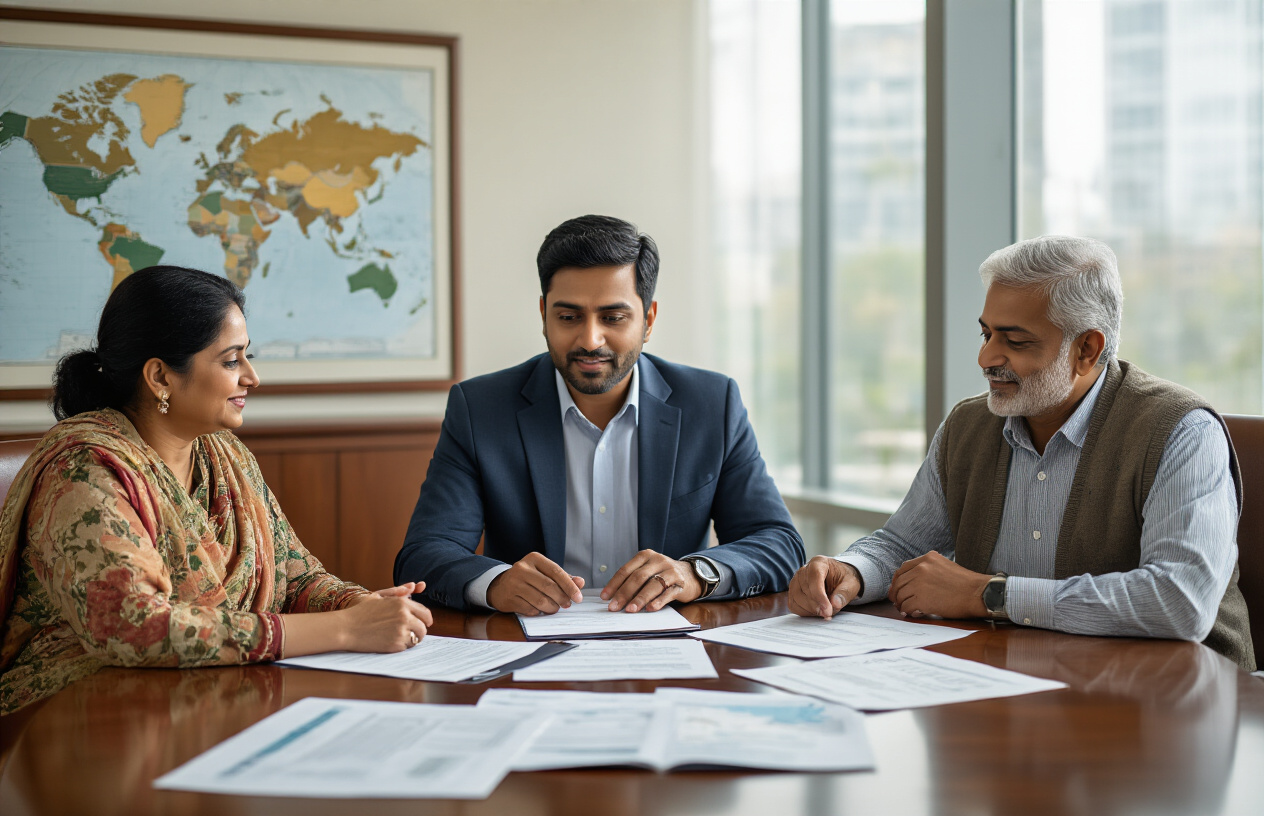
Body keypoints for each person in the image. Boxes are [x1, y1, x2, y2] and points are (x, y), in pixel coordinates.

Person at [788, 236, 1254, 670]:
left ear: (1087, 350)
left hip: (1169, 701)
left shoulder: (1180, 431)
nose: (986, 358)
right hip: (1021, 681)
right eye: (985, 334)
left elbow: (1180, 601)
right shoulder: (968, 425)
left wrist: (989, 595)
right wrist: (850, 569)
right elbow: (906, 543)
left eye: (1015, 341)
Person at [0, 266, 433, 715]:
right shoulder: (87, 468)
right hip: (81, 718)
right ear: (160, 377)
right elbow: (135, 629)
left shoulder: (224, 456)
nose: (253, 377)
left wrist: (362, 605)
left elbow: (295, 576)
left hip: (216, 694)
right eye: (231, 360)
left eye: (247, 356)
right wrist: (345, 629)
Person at [395, 215, 804, 616]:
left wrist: (694, 574)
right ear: (544, 316)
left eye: (613, 317)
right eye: (569, 317)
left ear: (648, 320)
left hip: (673, 651)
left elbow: (778, 542)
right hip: (530, 652)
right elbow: (425, 553)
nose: (590, 340)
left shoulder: (712, 403)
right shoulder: (480, 408)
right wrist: (495, 582)